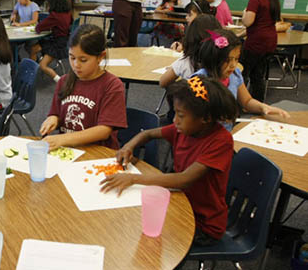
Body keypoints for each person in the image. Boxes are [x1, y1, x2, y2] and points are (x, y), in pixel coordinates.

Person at [101, 76, 238, 247]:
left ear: (205, 118)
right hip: (178, 203)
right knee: (128, 218)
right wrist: (128, 147)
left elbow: (183, 179)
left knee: (137, 235)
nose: (175, 121)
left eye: (181, 115)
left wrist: (133, 179)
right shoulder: (185, 128)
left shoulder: (220, 141)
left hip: (202, 222)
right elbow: (147, 134)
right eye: (175, 113)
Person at [39, 24, 127, 150]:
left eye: (83, 60)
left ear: (100, 57)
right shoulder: (64, 81)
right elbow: (56, 113)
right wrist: (52, 119)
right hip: (68, 151)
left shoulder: (112, 85)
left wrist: (63, 139)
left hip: (98, 153)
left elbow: (104, 130)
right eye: (72, 57)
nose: (76, 65)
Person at [193, 28, 290, 131]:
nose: (233, 65)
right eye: (227, 60)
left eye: (236, 59)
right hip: (206, 137)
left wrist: (263, 107)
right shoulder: (199, 81)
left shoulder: (235, 74)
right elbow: (192, 116)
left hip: (228, 134)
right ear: (213, 58)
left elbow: (247, 101)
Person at [240, 0, 280, 102]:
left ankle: (239, 104)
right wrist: (240, 34)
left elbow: (248, 22)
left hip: (256, 43)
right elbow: (261, 24)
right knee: (258, 75)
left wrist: (244, 12)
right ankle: (257, 105)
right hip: (269, 43)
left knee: (242, 74)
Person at [159, 14, 221, 88]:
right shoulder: (225, 63)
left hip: (191, 98)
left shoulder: (186, 62)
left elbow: (163, 83)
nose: (186, 17)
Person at [33, 0, 73, 82]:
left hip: (58, 44)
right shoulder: (67, 13)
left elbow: (38, 28)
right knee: (34, 48)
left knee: (43, 65)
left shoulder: (54, 15)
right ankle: (33, 73)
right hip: (66, 41)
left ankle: (60, 81)